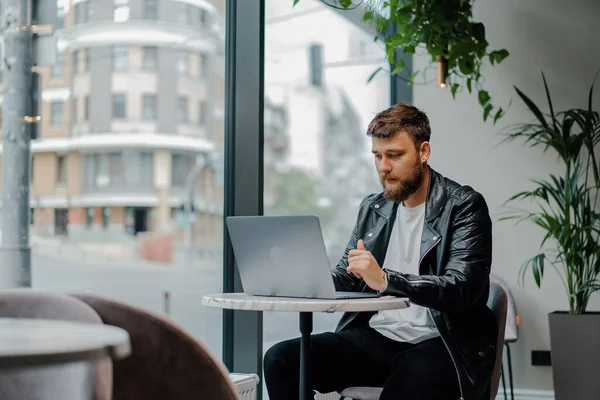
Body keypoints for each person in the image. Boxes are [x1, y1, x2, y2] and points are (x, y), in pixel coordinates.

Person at [263, 103, 498, 400]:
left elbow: (463, 288)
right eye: (378, 156)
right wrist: (305, 278)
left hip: (442, 341)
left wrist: (386, 280)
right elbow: (349, 275)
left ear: (423, 152)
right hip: (378, 336)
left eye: (395, 156)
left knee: (409, 382)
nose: (384, 167)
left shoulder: (463, 206)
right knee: (280, 360)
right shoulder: (374, 207)